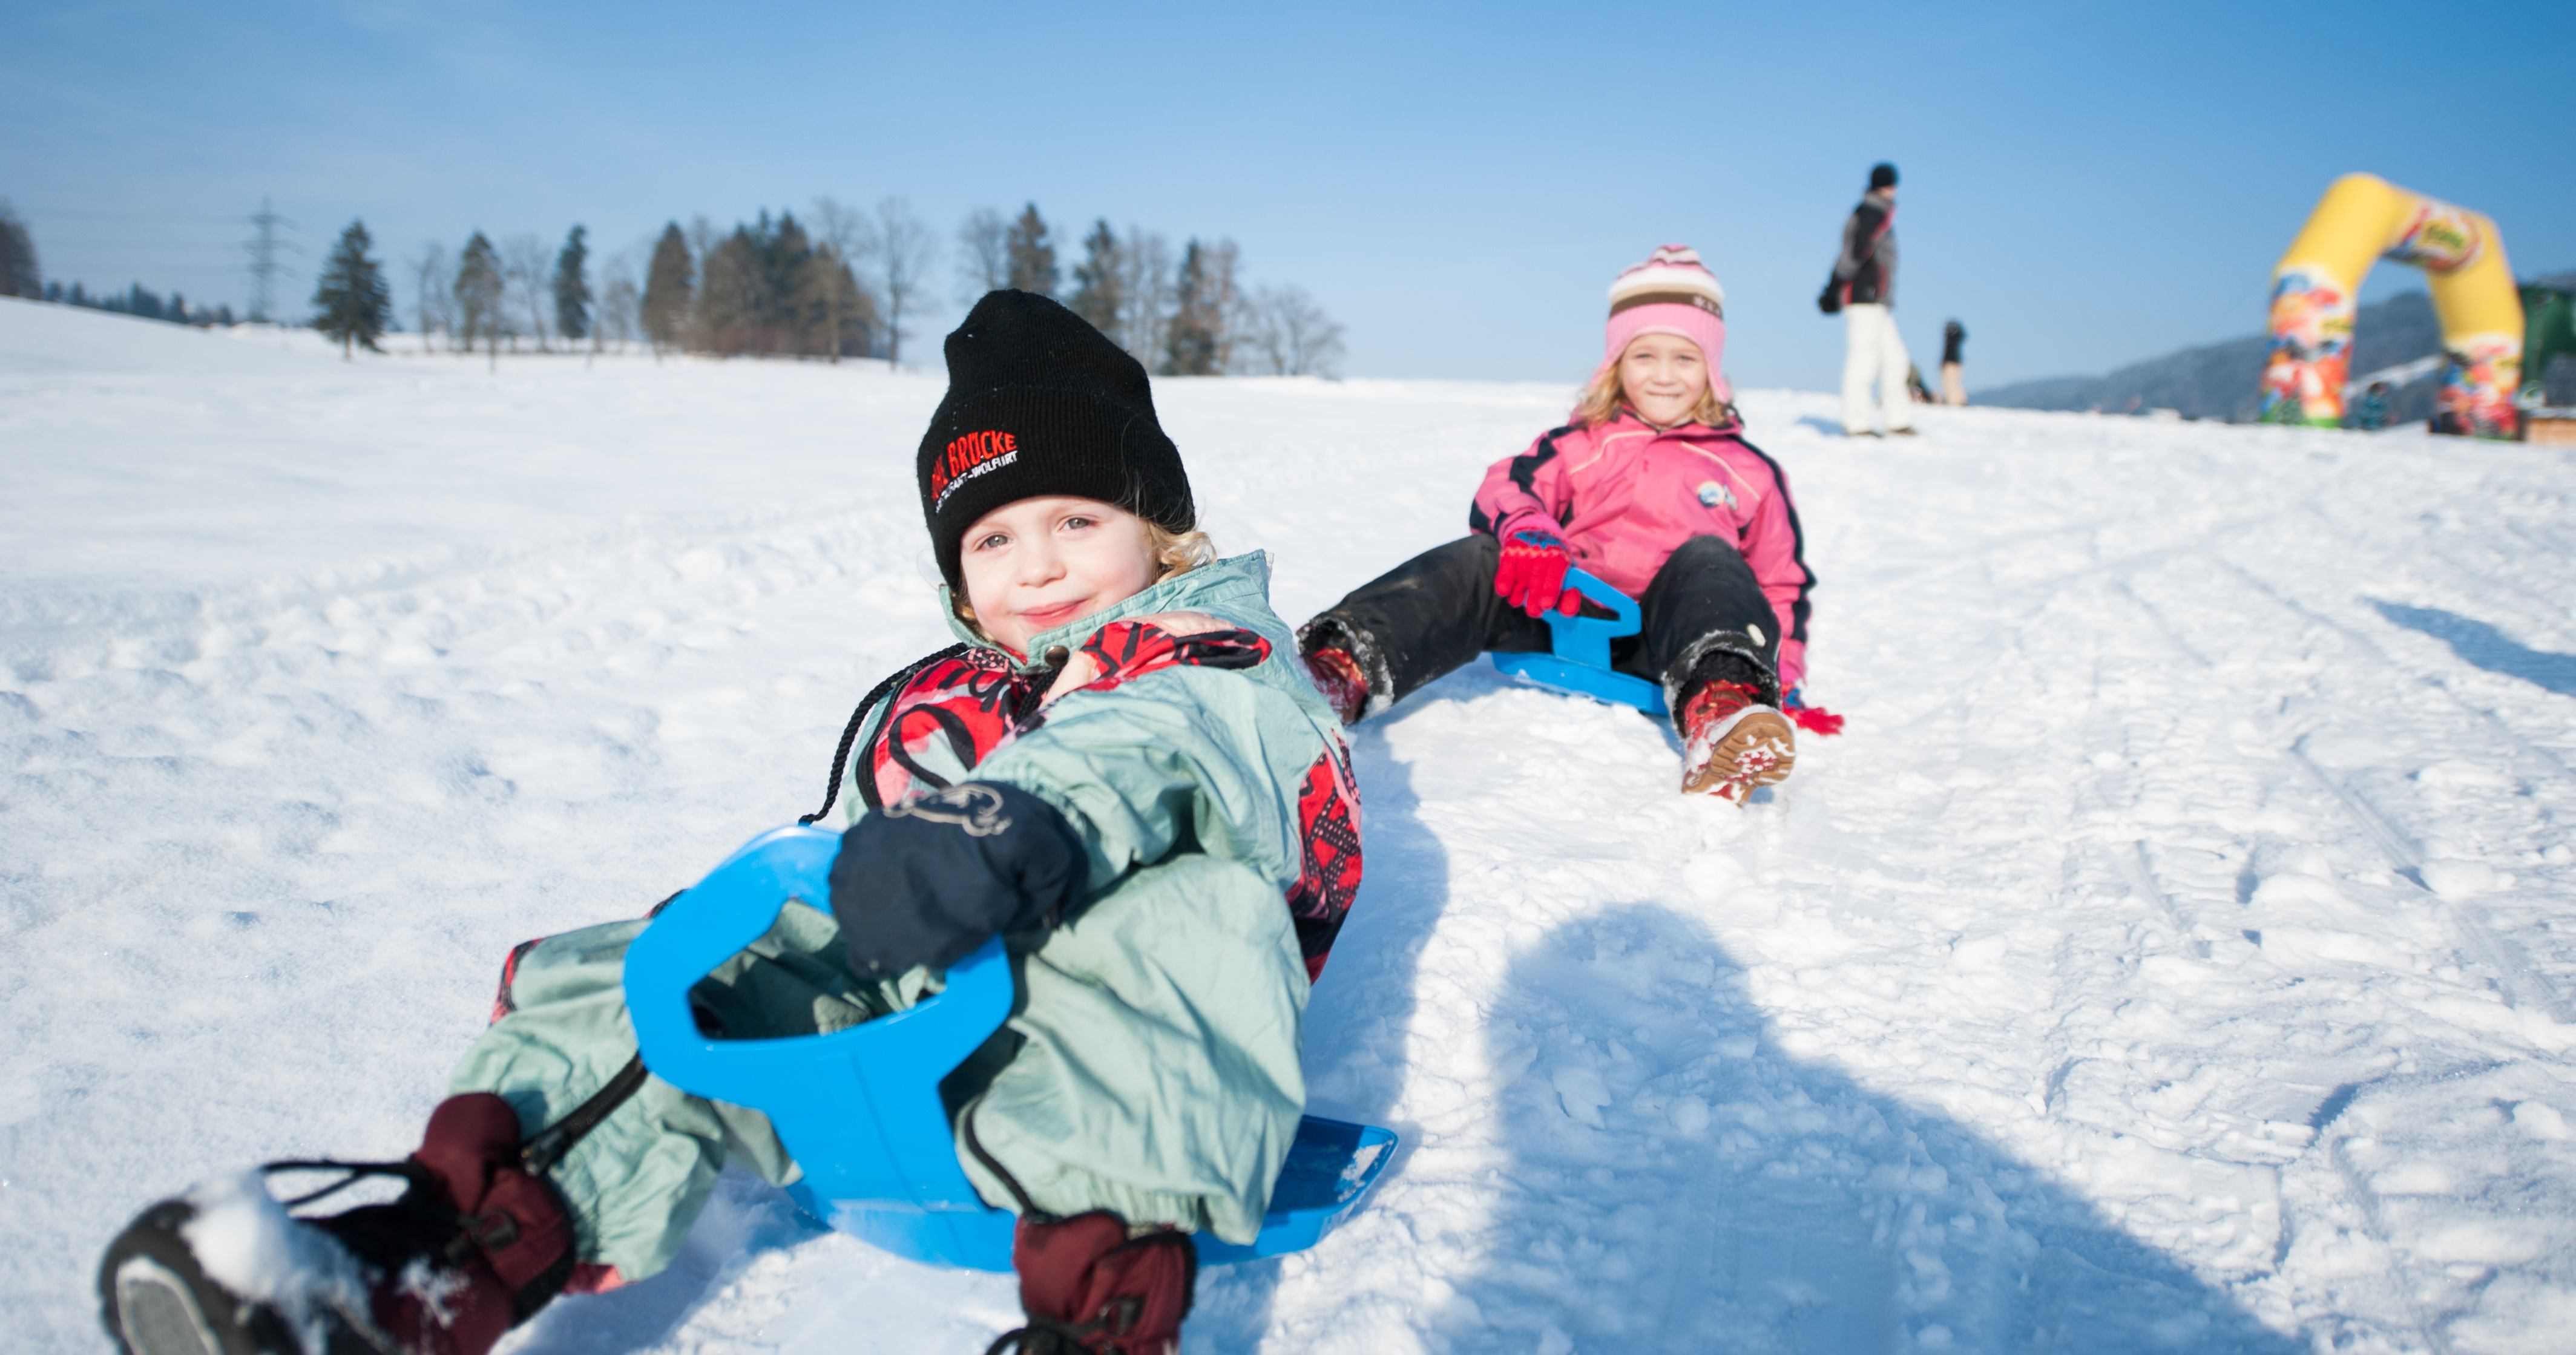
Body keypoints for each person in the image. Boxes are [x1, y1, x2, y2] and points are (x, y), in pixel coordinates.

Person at [95, 291, 1364, 1355]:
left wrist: (1005, 819)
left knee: (1178, 911)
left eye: (1077, 522)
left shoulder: (1213, 657)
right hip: (924, 1013)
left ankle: (1100, 1313)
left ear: (1157, 527)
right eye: (992, 538)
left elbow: (1142, 751)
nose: (1035, 567)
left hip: (1112, 1041)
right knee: (697, 954)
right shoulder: (946, 695)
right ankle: (432, 1262)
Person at [1299, 244, 1826, 803]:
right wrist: (1531, 530)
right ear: (1616, 363)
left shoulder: (1749, 470)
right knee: (1482, 559)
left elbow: (1780, 582)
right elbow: (1509, 486)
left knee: (1710, 558)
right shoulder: (1580, 444)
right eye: (1645, 356)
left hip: (1669, 640)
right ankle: (1338, 671)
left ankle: (1724, 710)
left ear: (1712, 367)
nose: (1665, 376)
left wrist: (1781, 670)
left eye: (1685, 358)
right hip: (1561, 608)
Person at [1818, 163, 1913, 437]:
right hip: (1865, 297)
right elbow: (1855, 254)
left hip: (1879, 300)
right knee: (1864, 359)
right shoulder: (1872, 213)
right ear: (1888, 186)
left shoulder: (1877, 212)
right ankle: (1857, 422)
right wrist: (1834, 286)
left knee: (1896, 360)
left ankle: (1897, 420)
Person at [1940, 319, 1967, 406]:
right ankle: (1956, 401)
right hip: (1950, 362)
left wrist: (1954, 323)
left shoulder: (1956, 338)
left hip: (1953, 363)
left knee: (1952, 383)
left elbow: (1963, 334)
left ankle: (1956, 401)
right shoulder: (1948, 338)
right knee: (1950, 383)